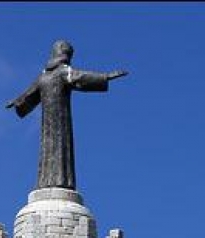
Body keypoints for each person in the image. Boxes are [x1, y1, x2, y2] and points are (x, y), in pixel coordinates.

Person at [7, 41, 127, 191]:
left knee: (61, 147)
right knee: (48, 149)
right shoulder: (46, 76)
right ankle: (46, 182)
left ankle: (61, 181)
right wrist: (17, 101)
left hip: (61, 119)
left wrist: (105, 77)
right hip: (48, 123)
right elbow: (30, 93)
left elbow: (80, 77)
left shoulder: (62, 72)